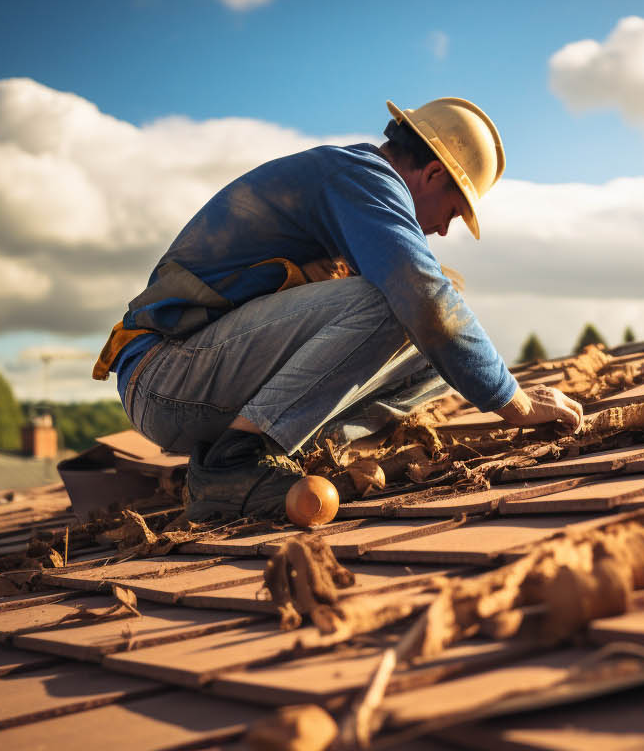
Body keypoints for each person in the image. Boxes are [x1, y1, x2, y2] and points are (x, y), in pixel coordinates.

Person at [93, 97, 584, 520]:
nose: (444, 230)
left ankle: (272, 450)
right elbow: (423, 297)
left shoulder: (353, 189)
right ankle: (233, 463)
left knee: (436, 353)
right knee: (402, 300)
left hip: (199, 383)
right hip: (164, 378)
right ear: (433, 173)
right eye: (453, 211)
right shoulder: (361, 177)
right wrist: (512, 403)